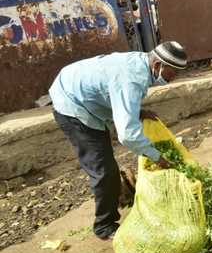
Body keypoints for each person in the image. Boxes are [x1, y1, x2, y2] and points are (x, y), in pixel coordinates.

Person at [49, 41, 188, 240]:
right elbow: (127, 134)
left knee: (106, 161)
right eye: (172, 73)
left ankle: (120, 193)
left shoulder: (141, 64)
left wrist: (137, 111)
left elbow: (114, 93)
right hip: (72, 104)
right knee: (103, 170)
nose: (173, 78)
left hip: (80, 92)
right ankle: (104, 226)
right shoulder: (132, 79)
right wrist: (157, 157)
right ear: (158, 65)